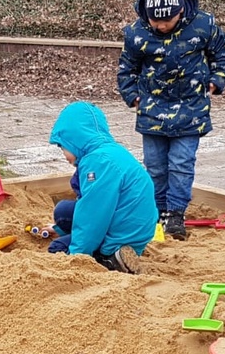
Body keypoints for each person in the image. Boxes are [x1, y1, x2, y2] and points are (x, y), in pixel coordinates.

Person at [116, 0, 225, 240]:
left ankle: (176, 213)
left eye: (168, 19)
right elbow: (126, 68)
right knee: (155, 165)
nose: (162, 26)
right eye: (155, 20)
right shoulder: (136, 32)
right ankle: (156, 211)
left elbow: (222, 52)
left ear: (181, 10)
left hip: (191, 108)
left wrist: (217, 80)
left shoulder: (203, 25)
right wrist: (132, 95)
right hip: (152, 109)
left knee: (181, 162)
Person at [47, 101, 157, 273]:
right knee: (63, 211)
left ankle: (110, 258)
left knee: (57, 248)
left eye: (62, 147)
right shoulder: (108, 151)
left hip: (121, 234)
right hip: (132, 226)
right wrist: (58, 229)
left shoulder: (98, 163)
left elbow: (94, 214)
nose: (63, 154)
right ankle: (117, 252)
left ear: (75, 140)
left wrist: (78, 255)